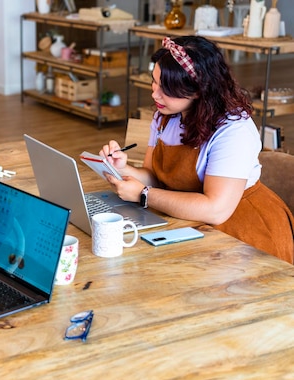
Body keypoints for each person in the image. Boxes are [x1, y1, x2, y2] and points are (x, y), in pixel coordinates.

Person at [100, 36, 294, 263]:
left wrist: (144, 195)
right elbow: (154, 176)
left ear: (199, 90)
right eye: (155, 81)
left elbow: (216, 209)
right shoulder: (165, 116)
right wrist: (124, 169)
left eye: (167, 89)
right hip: (187, 219)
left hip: (242, 229)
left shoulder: (233, 129)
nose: (155, 94)